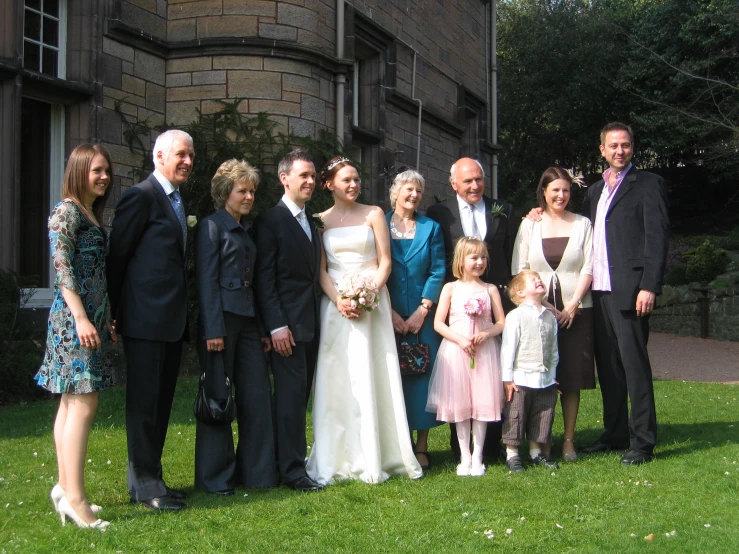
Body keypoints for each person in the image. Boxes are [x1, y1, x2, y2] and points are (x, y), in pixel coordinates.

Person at [306, 156, 422, 485]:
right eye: (347, 180)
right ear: (329, 185)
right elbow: (322, 271)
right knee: (339, 378)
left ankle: (381, 454)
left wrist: (368, 292)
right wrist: (340, 300)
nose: (354, 185)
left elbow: (385, 262)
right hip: (336, 306)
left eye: (357, 179)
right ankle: (337, 456)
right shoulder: (320, 220)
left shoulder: (373, 214)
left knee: (374, 372)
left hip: (373, 304)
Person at [107, 129, 194, 511]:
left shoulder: (176, 199)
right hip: (144, 321)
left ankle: (150, 477)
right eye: (180, 154)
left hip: (171, 322)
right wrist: (113, 313)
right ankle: (145, 486)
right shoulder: (140, 197)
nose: (188, 161)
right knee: (144, 405)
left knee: (160, 404)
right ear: (158, 156)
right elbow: (118, 258)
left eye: (191, 155)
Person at [34, 143, 116, 529]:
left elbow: (97, 275)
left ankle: (65, 488)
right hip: (72, 323)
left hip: (90, 322)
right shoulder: (66, 211)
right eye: (96, 170)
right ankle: (77, 501)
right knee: (82, 402)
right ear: (78, 170)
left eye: (106, 171)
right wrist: (83, 318)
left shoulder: (88, 213)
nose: (104, 177)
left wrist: (106, 319)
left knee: (70, 402)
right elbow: (62, 267)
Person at [580, 122, 669, 465]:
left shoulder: (648, 185)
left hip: (631, 291)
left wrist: (649, 285)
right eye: (613, 146)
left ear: (633, 148)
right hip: (599, 293)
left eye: (626, 145)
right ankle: (615, 433)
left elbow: (657, 237)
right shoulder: (594, 191)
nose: (620, 151)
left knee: (634, 367)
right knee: (611, 368)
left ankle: (643, 442)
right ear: (602, 149)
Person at [193, 159, 277, 495]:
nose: (248, 196)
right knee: (218, 398)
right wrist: (213, 329)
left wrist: (261, 330)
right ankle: (215, 480)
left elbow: (251, 284)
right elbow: (206, 281)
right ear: (225, 192)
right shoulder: (211, 227)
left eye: (252, 191)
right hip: (221, 325)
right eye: (242, 190)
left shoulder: (246, 230)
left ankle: (257, 474)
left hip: (247, 325)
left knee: (256, 397)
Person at [426, 157, 515, 462]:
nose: (475, 185)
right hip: (459, 305)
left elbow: (510, 251)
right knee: (461, 379)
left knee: (491, 377)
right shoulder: (439, 213)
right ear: (454, 184)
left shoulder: (501, 209)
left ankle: (491, 447)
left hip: (495, 300)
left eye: (479, 179)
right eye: (468, 181)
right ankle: (461, 450)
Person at [511, 167, 594, 461]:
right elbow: (520, 269)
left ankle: (569, 440)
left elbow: (589, 267)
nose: (561, 195)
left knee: (571, 377)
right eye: (555, 190)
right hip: (538, 312)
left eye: (566, 190)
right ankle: (540, 440)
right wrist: (545, 305)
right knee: (539, 376)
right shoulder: (530, 225)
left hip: (577, 310)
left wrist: (572, 305)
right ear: (543, 192)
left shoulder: (583, 224)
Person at [253, 150, 324, 492]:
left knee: (300, 398)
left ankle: (291, 462)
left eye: (312, 176)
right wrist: (276, 326)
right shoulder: (271, 220)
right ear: (285, 178)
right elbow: (265, 278)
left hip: (311, 326)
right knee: (290, 402)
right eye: (304, 175)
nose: (310, 181)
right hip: (287, 330)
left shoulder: (311, 222)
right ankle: (292, 472)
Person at [426, 237, 505, 477]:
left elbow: (501, 322)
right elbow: (439, 323)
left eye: (483, 257)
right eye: (474, 258)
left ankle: (479, 456)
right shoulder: (451, 288)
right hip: (456, 352)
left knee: (482, 403)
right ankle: (465, 456)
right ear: (461, 260)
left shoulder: (489, 289)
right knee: (460, 404)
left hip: (484, 354)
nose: (479, 262)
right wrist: (460, 340)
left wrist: (486, 333)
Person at [385, 169, 446, 471]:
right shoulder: (378, 224)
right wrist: (391, 313)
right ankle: (398, 443)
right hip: (386, 316)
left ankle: (421, 445)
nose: (414, 195)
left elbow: (438, 269)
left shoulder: (431, 228)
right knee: (392, 379)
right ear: (394, 192)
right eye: (408, 189)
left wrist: (423, 310)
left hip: (422, 319)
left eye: (419, 191)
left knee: (422, 379)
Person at [500, 270, 560, 473]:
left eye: (539, 280)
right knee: (515, 415)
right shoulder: (515, 316)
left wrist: (552, 374)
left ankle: (536, 452)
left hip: (544, 378)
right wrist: (507, 378)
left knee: (542, 414)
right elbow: (508, 348)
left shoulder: (550, 317)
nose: (539, 281)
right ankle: (512, 454)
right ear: (520, 291)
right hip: (520, 378)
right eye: (533, 281)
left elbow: (553, 349)